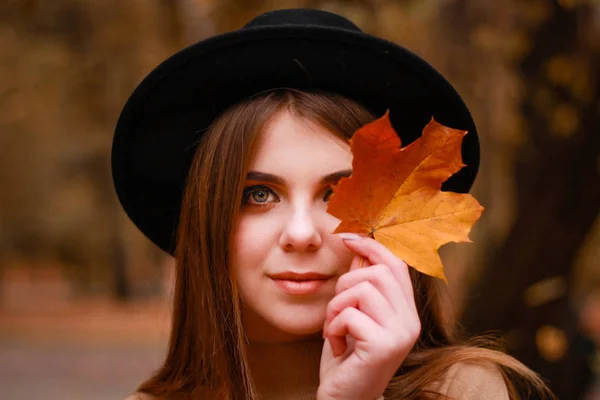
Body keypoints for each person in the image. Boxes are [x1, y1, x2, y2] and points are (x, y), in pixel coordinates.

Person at [113, 8, 555, 400]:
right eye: (259, 195)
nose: (302, 234)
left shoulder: (464, 391)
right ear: (208, 220)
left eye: (335, 194)